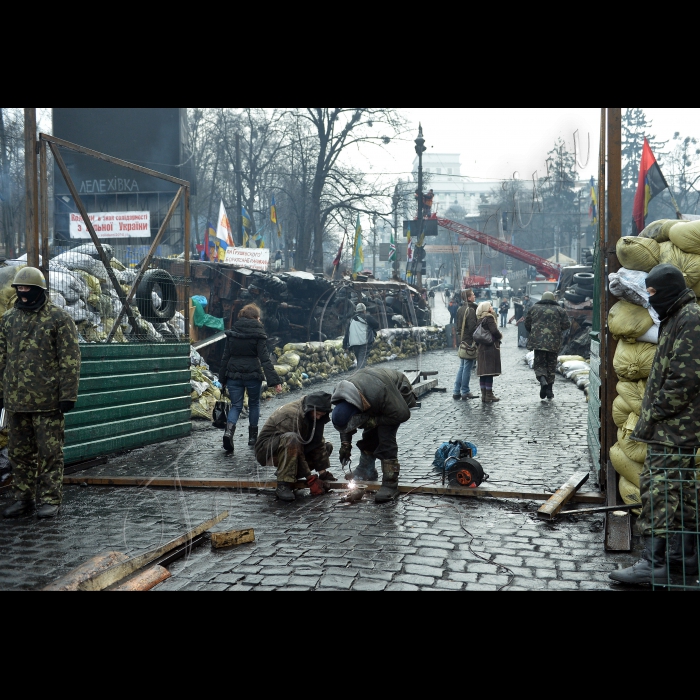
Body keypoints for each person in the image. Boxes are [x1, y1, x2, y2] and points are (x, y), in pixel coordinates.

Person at [610, 265, 700, 585]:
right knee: (681, 490)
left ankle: (653, 562)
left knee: (659, 490)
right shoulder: (677, 317)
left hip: (674, 428)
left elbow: (685, 378)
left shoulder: (690, 319)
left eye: (653, 293)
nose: (650, 299)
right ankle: (683, 557)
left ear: (669, 290)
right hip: (676, 427)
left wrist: (655, 413)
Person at [1, 267, 81, 519]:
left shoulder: (58, 319)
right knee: (18, 454)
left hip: (47, 402)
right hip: (15, 402)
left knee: (49, 453)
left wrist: (68, 395)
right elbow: (1, 356)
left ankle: (49, 500)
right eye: (19, 288)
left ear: (39, 290)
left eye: (27, 289)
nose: (23, 293)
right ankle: (21, 498)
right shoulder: (8, 319)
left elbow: (70, 359)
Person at [331, 368, 417, 503]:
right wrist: (345, 444)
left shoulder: (379, 393)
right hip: (371, 396)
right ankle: (366, 469)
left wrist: (375, 421)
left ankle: (390, 483)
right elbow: (345, 420)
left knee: (385, 439)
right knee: (369, 436)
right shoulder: (342, 396)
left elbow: (403, 414)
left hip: (396, 394)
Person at [219, 304, 282, 454]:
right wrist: (275, 381)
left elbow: (225, 357)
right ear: (255, 317)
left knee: (236, 406)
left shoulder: (233, 332)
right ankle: (253, 438)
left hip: (233, 374)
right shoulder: (258, 333)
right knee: (254, 404)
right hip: (253, 374)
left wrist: (222, 378)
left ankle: (228, 433)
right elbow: (265, 359)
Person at [256, 393, 335, 502]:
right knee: (292, 438)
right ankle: (283, 484)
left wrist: (323, 473)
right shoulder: (291, 415)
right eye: (318, 414)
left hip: (291, 446)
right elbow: (297, 449)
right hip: (267, 450)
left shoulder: (312, 413)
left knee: (327, 447)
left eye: (321, 415)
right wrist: (310, 479)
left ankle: (289, 472)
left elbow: (318, 442)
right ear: (311, 408)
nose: (318, 417)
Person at [524, 291, 570, 400]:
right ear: (553, 299)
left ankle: (542, 379)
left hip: (538, 343)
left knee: (539, 363)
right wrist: (557, 330)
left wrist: (534, 332)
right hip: (554, 343)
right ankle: (549, 390)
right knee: (551, 365)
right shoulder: (560, 310)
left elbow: (527, 323)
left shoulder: (534, 308)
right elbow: (566, 325)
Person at [474, 301, 502, 403]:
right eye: (490, 306)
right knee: (489, 373)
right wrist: (499, 336)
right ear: (486, 308)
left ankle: (484, 395)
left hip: (481, 348)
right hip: (490, 348)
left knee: (483, 373)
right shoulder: (489, 318)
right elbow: (494, 331)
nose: (492, 307)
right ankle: (489, 395)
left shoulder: (480, 319)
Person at [453, 289, 478, 400]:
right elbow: (473, 328)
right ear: (468, 298)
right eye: (473, 295)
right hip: (469, 342)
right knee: (467, 367)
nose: (474, 296)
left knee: (462, 367)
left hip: (462, 340)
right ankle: (465, 391)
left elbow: (458, 326)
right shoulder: (471, 310)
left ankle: (456, 391)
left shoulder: (460, 309)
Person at [343, 303, 379, 370]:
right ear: (364, 310)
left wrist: (345, 345)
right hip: (364, 342)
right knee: (362, 362)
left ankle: (361, 374)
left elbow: (347, 333)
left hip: (354, 344)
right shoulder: (367, 317)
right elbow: (377, 325)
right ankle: (359, 376)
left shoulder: (351, 320)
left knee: (360, 360)